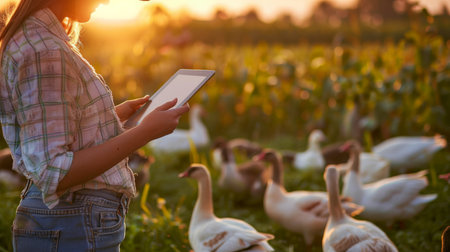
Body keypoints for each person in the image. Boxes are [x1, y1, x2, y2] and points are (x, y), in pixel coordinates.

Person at [0, 0, 190, 251]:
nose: (106, 0)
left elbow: (51, 130)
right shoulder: (46, 51)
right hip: (73, 221)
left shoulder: (36, 39)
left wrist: (111, 116)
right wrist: (144, 132)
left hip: (67, 221)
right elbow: (54, 172)